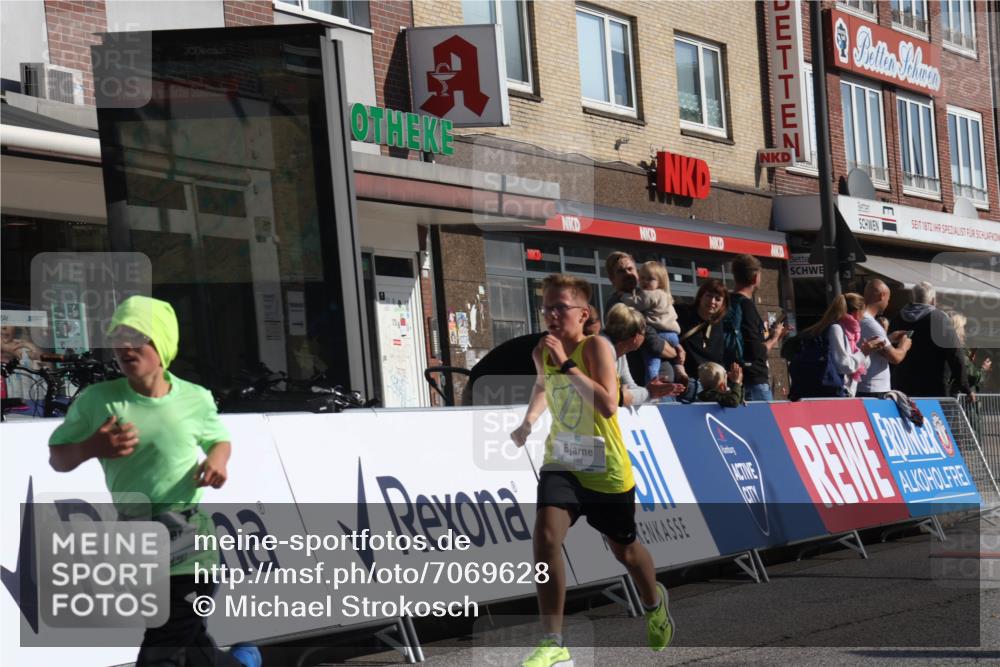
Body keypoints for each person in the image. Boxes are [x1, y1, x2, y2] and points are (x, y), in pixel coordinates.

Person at [47, 296, 261, 667]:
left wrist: (217, 461)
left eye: (138, 337)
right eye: (119, 337)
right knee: (189, 646)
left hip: (190, 539)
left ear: (162, 343)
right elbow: (58, 457)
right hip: (136, 541)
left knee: (165, 643)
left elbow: (219, 439)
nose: (126, 347)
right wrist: (92, 446)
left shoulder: (195, 398)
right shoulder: (99, 400)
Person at [510, 275, 674, 667]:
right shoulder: (543, 351)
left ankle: (655, 603)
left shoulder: (596, 346)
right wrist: (529, 422)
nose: (551, 315)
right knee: (546, 535)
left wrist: (567, 363)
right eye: (546, 307)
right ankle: (553, 641)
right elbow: (542, 387)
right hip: (563, 461)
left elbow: (607, 405)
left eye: (559, 308)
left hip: (605, 469)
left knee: (626, 551)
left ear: (583, 314)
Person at [787, 293, 883, 398]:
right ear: (857, 312)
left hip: (844, 393)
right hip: (834, 393)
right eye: (863, 313)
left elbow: (859, 365)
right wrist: (864, 352)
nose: (863, 317)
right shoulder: (837, 329)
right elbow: (844, 365)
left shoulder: (851, 333)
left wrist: (866, 351)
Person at [605, 251, 678, 383]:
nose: (627, 273)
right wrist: (674, 352)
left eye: (630, 269)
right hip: (642, 382)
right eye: (621, 271)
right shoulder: (618, 304)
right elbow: (651, 340)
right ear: (611, 278)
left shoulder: (647, 295)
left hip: (663, 382)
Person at [889, 281, 970, 398]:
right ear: (933, 300)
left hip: (901, 385)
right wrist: (965, 387)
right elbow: (955, 354)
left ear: (913, 298)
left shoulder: (897, 318)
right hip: (932, 387)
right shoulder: (940, 318)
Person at [726, 254, 789, 401]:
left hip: (733, 377)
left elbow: (746, 342)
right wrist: (774, 338)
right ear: (755, 278)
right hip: (754, 380)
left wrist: (775, 336)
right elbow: (755, 350)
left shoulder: (728, 303)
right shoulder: (747, 305)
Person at [602, 303, 685, 405]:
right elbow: (614, 398)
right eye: (644, 332)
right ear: (636, 337)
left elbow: (630, 387)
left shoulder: (620, 353)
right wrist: (649, 392)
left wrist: (649, 392)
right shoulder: (604, 350)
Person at [619, 260, 687, 385]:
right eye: (643, 278)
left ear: (660, 282)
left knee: (652, 362)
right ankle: (679, 369)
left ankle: (652, 382)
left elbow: (636, 304)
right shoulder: (666, 296)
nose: (645, 282)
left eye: (650, 279)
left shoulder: (650, 294)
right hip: (673, 335)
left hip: (659, 333)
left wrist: (624, 297)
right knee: (678, 358)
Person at [856, 279, 912, 399]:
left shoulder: (860, 318)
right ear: (882, 296)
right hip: (873, 389)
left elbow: (876, 347)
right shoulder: (871, 324)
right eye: (888, 299)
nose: (888, 303)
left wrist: (889, 338)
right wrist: (904, 346)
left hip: (864, 386)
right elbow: (895, 357)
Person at [675, 279, 729, 399]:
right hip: (685, 384)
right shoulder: (682, 314)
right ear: (700, 296)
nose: (712, 301)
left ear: (723, 304)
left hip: (710, 387)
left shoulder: (718, 325)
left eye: (718, 299)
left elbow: (718, 359)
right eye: (709, 296)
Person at [948, 311, 992, 394]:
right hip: (953, 397)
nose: (964, 331)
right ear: (958, 328)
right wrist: (984, 369)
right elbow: (972, 376)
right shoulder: (956, 347)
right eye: (963, 327)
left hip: (942, 395)